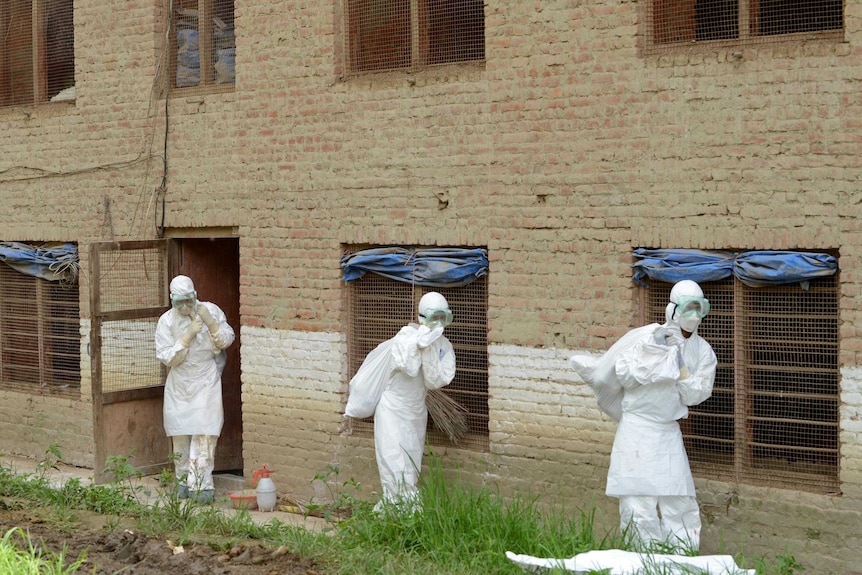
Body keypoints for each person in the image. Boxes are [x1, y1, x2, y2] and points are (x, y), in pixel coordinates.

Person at [570, 280, 717, 552]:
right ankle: (643, 560)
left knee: (680, 499)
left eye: (700, 310)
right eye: (689, 309)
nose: (694, 317)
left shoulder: (703, 352)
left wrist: (681, 368)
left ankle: (681, 559)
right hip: (637, 428)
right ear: (672, 310)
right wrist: (657, 354)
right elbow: (625, 373)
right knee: (639, 504)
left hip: (667, 431)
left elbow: (696, 394)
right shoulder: (646, 338)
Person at [373, 291, 457, 512]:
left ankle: (406, 515)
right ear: (422, 317)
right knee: (393, 461)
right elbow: (407, 368)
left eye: (443, 318)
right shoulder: (405, 337)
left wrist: (429, 349)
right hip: (393, 409)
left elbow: (436, 380)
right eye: (434, 317)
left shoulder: (443, 346)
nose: (439, 323)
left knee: (410, 464)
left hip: (416, 411)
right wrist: (417, 345)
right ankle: (397, 513)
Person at [155, 275, 235, 503]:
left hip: (205, 380)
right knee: (180, 435)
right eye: (178, 302)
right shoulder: (167, 322)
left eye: (188, 300)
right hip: (179, 384)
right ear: (172, 300)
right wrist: (187, 336)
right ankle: (182, 482)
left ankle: (202, 486)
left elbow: (226, 341)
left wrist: (211, 323)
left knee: (205, 433)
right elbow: (167, 357)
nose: (184, 306)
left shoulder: (210, 310)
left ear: (195, 295)